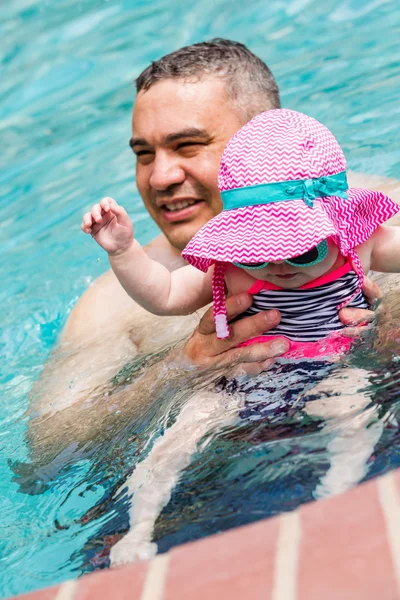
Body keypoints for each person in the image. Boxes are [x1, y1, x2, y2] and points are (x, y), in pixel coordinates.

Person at [28, 40, 395, 466]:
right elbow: (46, 454)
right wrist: (180, 367)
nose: (159, 177)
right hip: (226, 469)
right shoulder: (114, 301)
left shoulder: (365, 220)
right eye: (144, 155)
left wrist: (386, 326)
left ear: (265, 138)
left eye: (187, 146)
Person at [81, 108, 400, 565]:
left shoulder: (357, 243)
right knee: (176, 440)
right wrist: (123, 250)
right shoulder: (226, 268)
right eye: (258, 251)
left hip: (333, 365)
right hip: (238, 382)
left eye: (302, 249)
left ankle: (335, 500)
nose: (278, 264)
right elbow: (165, 294)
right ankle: (138, 530)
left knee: (350, 413)